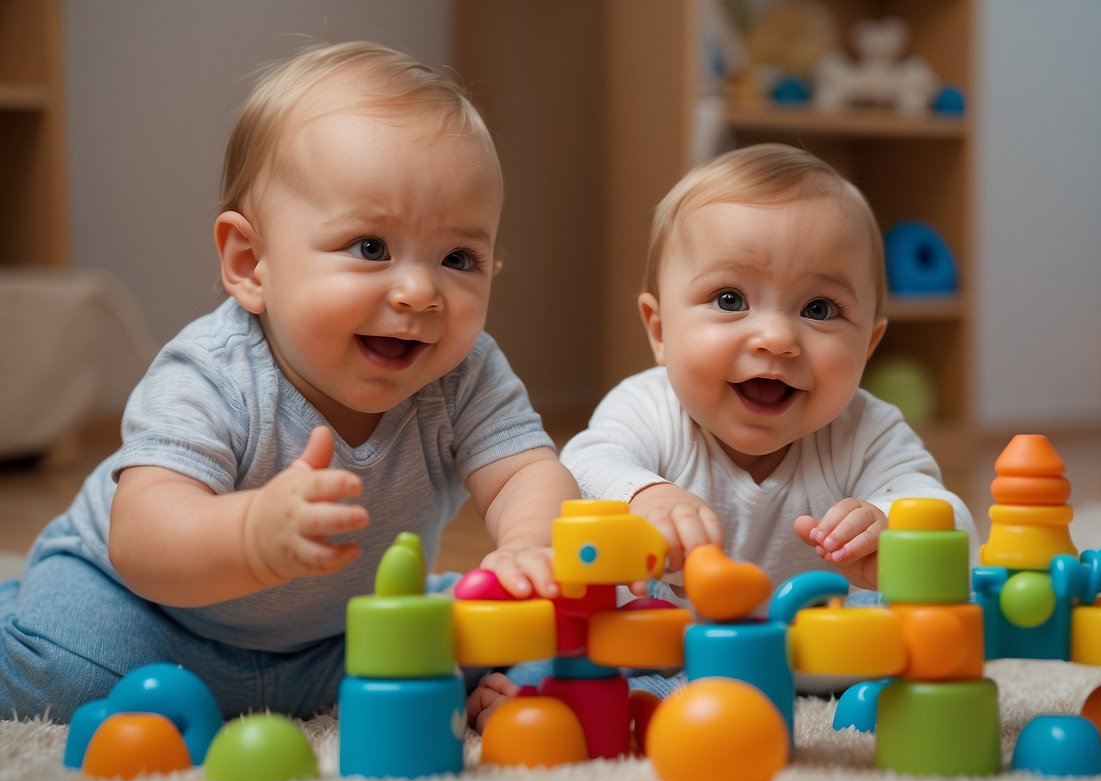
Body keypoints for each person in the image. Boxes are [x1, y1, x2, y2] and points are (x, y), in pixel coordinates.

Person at [0, 41, 577, 724]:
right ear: (250, 263)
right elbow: (142, 537)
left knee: (512, 642)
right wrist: (252, 536)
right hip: (147, 615)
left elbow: (523, 474)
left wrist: (527, 550)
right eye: (371, 248)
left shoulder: (464, 371)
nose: (421, 292)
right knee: (64, 678)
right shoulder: (214, 372)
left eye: (459, 257)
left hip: (333, 638)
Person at [560, 142, 976, 638]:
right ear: (660, 331)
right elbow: (580, 468)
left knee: (937, 644)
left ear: (869, 344)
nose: (777, 339)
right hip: (670, 658)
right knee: (565, 647)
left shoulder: (867, 431)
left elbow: (953, 524)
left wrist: (891, 528)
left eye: (818, 309)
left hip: (822, 665)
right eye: (730, 299)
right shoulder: (648, 408)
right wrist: (646, 496)